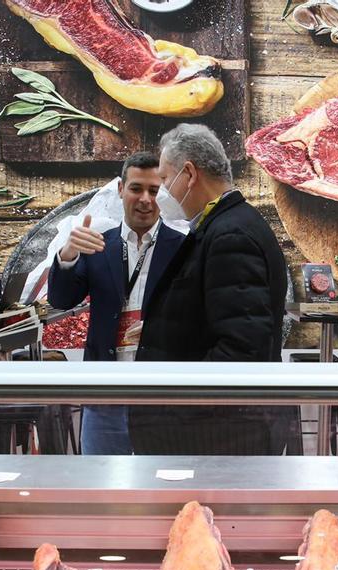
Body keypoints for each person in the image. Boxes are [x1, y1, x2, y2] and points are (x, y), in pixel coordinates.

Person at [129, 125, 290, 455]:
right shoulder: (225, 225)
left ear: (189, 174)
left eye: (164, 179)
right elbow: (220, 312)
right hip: (213, 429)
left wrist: (180, 407)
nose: (162, 194)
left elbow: (242, 349)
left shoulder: (231, 235)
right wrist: (166, 328)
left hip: (212, 434)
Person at [48, 151, 184, 454]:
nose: (145, 199)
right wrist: (68, 254)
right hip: (105, 389)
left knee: (160, 486)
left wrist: (161, 327)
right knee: (101, 484)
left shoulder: (184, 247)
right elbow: (60, 299)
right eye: (136, 188)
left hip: (161, 393)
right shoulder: (98, 243)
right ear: (121, 189)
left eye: (154, 190)